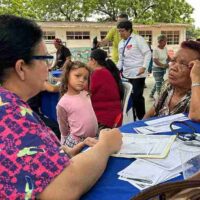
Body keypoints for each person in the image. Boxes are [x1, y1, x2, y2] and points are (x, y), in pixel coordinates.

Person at [0, 14, 122, 199]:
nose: (48, 68)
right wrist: (106, 145)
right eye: (44, 59)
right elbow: (60, 190)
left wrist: (64, 153)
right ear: (21, 68)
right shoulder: (9, 114)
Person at [144, 40, 200, 121]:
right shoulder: (168, 85)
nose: (173, 67)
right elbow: (154, 109)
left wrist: (196, 79)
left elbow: (196, 116)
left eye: (182, 64)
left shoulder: (197, 93)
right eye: (173, 61)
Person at [57, 61, 98, 147]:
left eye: (85, 78)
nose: (82, 80)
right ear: (67, 75)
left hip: (92, 139)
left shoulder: (85, 94)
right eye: (77, 76)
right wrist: (64, 142)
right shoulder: (63, 103)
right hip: (77, 142)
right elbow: (63, 127)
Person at [117, 20, 152, 120]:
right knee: (129, 98)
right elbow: (121, 59)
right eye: (119, 31)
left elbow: (147, 53)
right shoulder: (121, 43)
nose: (120, 33)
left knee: (137, 96)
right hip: (126, 74)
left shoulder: (138, 39)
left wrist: (144, 66)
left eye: (122, 31)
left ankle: (142, 118)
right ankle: (133, 118)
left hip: (138, 73)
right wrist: (115, 70)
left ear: (129, 30)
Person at [88, 49, 124, 129]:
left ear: (93, 61)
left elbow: (88, 92)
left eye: (89, 60)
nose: (88, 63)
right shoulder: (105, 71)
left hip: (105, 120)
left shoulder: (99, 73)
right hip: (111, 115)